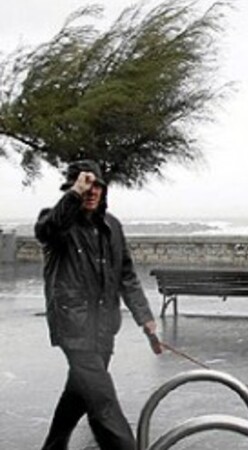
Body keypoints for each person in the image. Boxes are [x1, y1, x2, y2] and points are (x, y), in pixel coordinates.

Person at [35, 160, 161, 450]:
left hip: (104, 328)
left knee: (78, 394)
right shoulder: (56, 222)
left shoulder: (112, 226)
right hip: (74, 327)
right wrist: (74, 194)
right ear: (72, 189)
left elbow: (126, 275)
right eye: (85, 185)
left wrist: (145, 318)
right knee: (103, 405)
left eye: (97, 185)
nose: (91, 191)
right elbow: (47, 230)